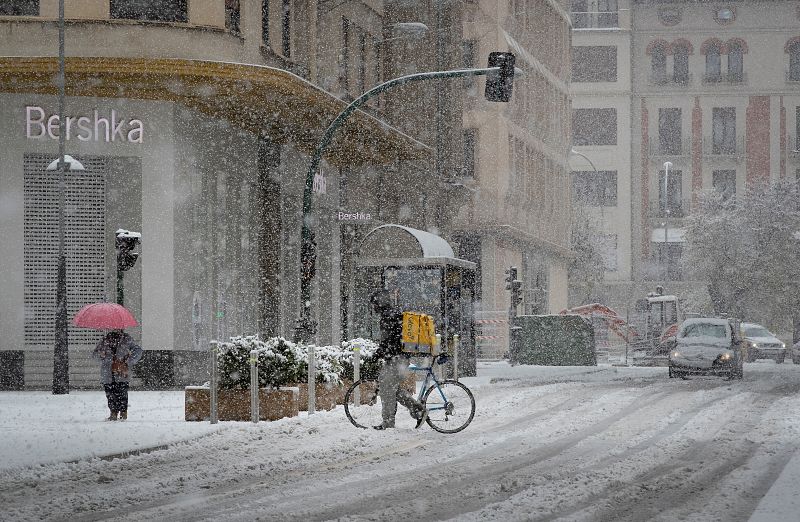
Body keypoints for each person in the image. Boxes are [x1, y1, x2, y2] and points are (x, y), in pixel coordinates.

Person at [370, 289, 428, 430]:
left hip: (396, 360)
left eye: (374, 304)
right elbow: (392, 340)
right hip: (400, 359)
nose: (373, 307)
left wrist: (377, 354)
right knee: (392, 389)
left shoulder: (388, 316)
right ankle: (418, 410)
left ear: (380, 303)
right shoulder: (393, 313)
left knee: (386, 388)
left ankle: (388, 423)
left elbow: (388, 341)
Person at [92, 329, 143, 421]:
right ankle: (113, 412)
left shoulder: (127, 339)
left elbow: (138, 351)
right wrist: (101, 356)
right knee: (110, 394)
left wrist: (128, 361)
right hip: (107, 372)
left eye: (117, 328)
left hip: (121, 372)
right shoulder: (104, 340)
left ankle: (123, 412)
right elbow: (94, 355)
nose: (115, 329)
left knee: (122, 393)